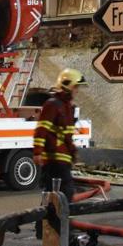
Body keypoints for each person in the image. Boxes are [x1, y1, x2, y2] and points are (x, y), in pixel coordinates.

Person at [33, 68, 85, 198]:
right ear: (67, 86)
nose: (77, 90)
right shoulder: (53, 104)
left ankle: (52, 217)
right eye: (75, 87)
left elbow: (67, 135)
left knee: (57, 194)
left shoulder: (67, 106)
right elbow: (41, 129)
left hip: (63, 158)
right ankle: (56, 217)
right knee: (62, 193)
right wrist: (37, 152)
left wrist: (73, 153)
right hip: (54, 158)